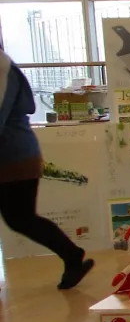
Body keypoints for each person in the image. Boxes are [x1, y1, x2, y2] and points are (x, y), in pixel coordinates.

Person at [0, 44, 94, 289]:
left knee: (20, 217)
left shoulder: (2, 67)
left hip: (15, 157)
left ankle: (72, 255)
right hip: (12, 155)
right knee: (19, 217)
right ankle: (72, 255)